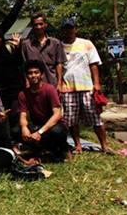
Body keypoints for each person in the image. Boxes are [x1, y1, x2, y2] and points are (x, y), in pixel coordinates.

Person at [60, 18, 109, 153]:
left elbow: (94, 64)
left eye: (71, 28)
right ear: (63, 30)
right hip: (68, 88)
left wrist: (97, 83)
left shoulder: (86, 43)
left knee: (95, 117)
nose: (69, 31)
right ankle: (78, 145)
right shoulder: (59, 46)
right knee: (71, 119)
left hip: (87, 86)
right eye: (66, 28)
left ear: (75, 29)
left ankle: (104, 145)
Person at [17, 60, 69, 162]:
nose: (33, 75)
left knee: (57, 131)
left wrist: (40, 132)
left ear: (41, 74)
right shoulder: (23, 94)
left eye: (36, 72)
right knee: (17, 131)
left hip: (54, 124)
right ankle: (39, 151)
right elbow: (22, 115)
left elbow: (57, 114)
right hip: (37, 124)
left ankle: (64, 150)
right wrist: (24, 128)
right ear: (26, 76)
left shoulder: (49, 89)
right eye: (30, 73)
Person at [20, 13, 66, 88]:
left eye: (41, 24)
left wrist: (59, 83)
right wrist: (26, 81)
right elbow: (24, 65)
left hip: (52, 84)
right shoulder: (26, 44)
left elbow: (59, 64)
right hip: (33, 86)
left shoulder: (55, 43)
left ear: (45, 24)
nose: (38, 27)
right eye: (36, 24)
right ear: (32, 26)